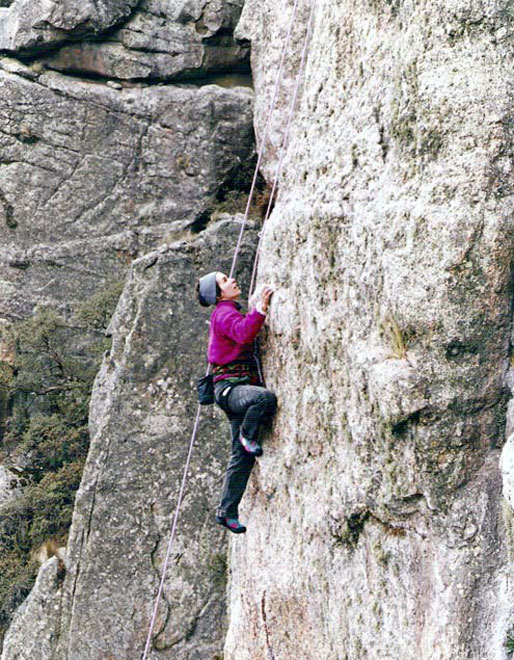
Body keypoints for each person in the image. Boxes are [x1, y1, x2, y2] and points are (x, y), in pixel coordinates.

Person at [196, 271, 277, 534]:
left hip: (230, 389)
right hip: (232, 388)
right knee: (263, 398)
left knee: (240, 458)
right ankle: (247, 433)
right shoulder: (224, 313)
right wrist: (260, 310)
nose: (231, 280)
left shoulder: (225, 311)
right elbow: (243, 334)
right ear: (218, 294)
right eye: (224, 281)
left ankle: (227, 510)